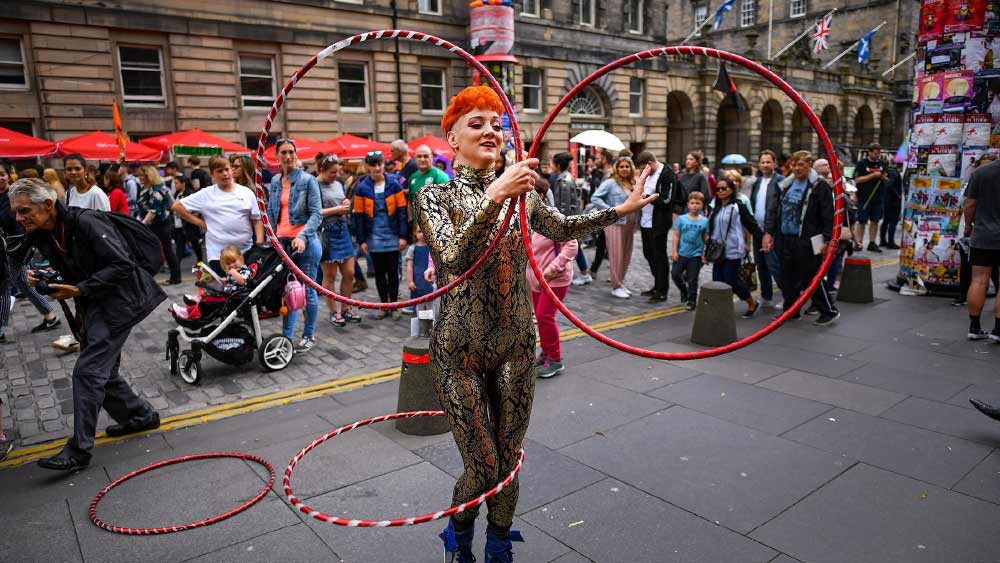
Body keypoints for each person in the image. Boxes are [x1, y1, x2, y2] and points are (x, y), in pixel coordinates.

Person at [414, 85, 656, 562]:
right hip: (458, 351)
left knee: (507, 461)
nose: (490, 131)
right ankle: (458, 534)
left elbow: (563, 227)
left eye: (497, 124)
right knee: (482, 468)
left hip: (515, 344)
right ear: (452, 139)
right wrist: (495, 195)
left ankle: (499, 542)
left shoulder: (520, 193)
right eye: (476, 123)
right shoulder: (434, 197)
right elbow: (452, 255)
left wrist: (620, 211)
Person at [10, 178, 163, 470]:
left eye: (24, 210)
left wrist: (79, 289)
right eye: (16, 212)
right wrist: (36, 276)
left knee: (88, 371)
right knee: (103, 371)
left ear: (47, 205)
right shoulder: (40, 230)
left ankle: (79, 450)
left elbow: (122, 265)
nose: (19, 218)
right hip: (94, 302)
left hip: (121, 302)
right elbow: (16, 261)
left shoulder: (87, 223)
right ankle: (139, 416)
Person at [763, 150, 840, 325]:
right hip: (786, 237)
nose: (797, 168)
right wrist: (769, 233)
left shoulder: (820, 186)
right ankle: (791, 310)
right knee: (787, 277)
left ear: (809, 165)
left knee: (811, 276)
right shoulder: (785, 185)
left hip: (808, 239)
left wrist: (827, 240)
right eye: (794, 165)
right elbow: (774, 211)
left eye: (801, 165)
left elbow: (829, 215)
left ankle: (828, 310)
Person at [267, 139, 323, 351]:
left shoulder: (308, 180)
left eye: (291, 152)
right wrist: (271, 238)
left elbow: (317, 214)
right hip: (282, 244)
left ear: (296, 154)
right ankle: (287, 338)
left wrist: (303, 235)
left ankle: (308, 335)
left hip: (305, 244)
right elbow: (272, 213)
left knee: (307, 292)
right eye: (283, 152)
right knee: (288, 292)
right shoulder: (274, 181)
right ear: (277, 156)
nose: (288, 156)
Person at [0, 162, 61, 344]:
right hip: (8, 247)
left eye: (2, 173)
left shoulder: (15, 196)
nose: (0, 178)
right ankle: (50, 316)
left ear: (9, 174)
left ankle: (0, 328)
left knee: (4, 284)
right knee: (23, 283)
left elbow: (19, 222)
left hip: (16, 247)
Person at [172, 155, 263, 275]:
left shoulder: (246, 192)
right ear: (212, 174)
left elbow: (257, 219)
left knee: (248, 289)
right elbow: (177, 206)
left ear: (231, 170)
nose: (225, 173)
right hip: (218, 253)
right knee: (224, 290)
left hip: (245, 251)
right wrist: (199, 223)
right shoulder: (206, 194)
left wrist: (259, 244)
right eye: (219, 171)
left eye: (227, 169)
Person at [353, 151, 408, 319]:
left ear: (383, 165)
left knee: (393, 271)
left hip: (392, 233)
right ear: (368, 167)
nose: (377, 168)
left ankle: (394, 306)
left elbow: (402, 213)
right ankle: (384, 305)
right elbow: (359, 217)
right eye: (373, 165)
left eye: (379, 164)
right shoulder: (362, 188)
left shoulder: (394, 184)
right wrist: (361, 240)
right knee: (379, 272)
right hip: (373, 235)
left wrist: (403, 236)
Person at [707, 174, 762, 318]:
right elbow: (712, 230)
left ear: (731, 190)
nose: (720, 191)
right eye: (717, 189)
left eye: (723, 188)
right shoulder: (717, 207)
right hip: (718, 250)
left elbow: (752, 225)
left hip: (733, 250)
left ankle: (751, 302)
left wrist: (762, 240)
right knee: (718, 281)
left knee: (731, 280)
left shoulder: (739, 206)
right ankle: (722, 308)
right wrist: (706, 251)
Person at [635, 151, 685, 303]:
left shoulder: (667, 174)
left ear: (650, 164)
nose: (642, 171)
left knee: (660, 257)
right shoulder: (648, 174)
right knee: (648, 254)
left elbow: (666, 199)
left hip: (659, 222)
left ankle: (662, 291)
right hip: (645, 221)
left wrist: (646, 198)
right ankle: (657, 285)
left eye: (644, 168)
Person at [317, 155, 361, 327]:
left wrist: (345, 204)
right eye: (332, 172)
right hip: (326, 233)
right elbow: (313, 212)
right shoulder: (313, 185)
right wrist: (337, 209)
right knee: (330, 275)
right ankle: (333, 311)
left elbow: (342, 203)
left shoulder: (338, 183)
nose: (336, 175)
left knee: (349, 272)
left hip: (342, 230)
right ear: (322, 170)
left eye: (338, 172)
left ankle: (346, 308)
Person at [591, 156, 640, 298]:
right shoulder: (610, 183)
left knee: (626, 254)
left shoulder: (633, 183)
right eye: (621, 166)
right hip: (615, 223)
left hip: (630, 224)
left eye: (627, 166)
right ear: (616, 169)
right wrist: (611, 210)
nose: (624, 169)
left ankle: (621, 282)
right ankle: (616, 285)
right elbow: (595, 197)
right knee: (616, 254)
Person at [963, 156, 1000, 341]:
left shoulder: (981, 172)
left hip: (983, 235)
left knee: (978, 280)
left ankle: (974, 326)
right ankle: (998, 330)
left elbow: (970, 204)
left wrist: (968, 226)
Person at [173, 245, 255, 320]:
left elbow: (242, 281)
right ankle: (192, 305)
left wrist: (233, 273)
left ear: (241, 258)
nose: (232, 265)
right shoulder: (235, 271)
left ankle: (188, 311)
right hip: (227, 295)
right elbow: (232, 281)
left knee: (207, 302)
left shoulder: (245, 270)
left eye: (233, 261)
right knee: (207, 295)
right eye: (228, 263)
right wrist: (225, 279)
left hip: (234, 298)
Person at [749, 150, 785, 308]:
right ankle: (766, 296)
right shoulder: (756, 182)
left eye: (768, 162)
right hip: (758, 231)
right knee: (761, 265)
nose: (765, 165)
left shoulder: (781, 181)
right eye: (762, 162)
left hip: (773, 232)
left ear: (774, 163)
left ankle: (787, 296)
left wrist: (770, 231)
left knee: (774, 265)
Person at [136, 165, 181, 285]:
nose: (139, 178)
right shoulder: (145, 188)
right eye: (139, 175)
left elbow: (153, 211)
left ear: (148, 176)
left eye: (141, 175)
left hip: (161, 223)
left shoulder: (158, 189)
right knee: (153, 249)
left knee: (167, 249)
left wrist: (141, 224)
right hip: (151, 223)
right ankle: (149, 276)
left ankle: (175, 277)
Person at [671, 191, 709, 310]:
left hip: (695, 255)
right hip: (682, 253)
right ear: (688, 204)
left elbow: (705, 238)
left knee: (693, 279)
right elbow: (676, 235)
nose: (695, 205)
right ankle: (684, 290)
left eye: (698, 203)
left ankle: (692, 300)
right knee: (675, 274)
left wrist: (705, 254)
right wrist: (674, 251)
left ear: (702, 205)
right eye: (692, 203)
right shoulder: (681, 219)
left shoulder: (704, 221)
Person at [853, 142, 886, 253]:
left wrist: (883, 177)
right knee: (861, 221)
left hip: (877, 197)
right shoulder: (862, 164)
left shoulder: (881, 164)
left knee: (875, 221)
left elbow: (886, 178)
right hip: (864, 197)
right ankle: (859, 242)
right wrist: (872, 175)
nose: (877, 156)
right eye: (875, 153)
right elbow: (857, 179)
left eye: (879, 153)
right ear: (870, 152)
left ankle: (872, 242)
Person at [405, 223, 438, 333]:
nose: (422, 234)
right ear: (415, 233)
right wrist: (410, 281)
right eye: (419, 231)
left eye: (424, 231)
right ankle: (419, 329)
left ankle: (431, 329)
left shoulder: (431, 248)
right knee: (418, 308)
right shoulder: (412, 248)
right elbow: (409, 266)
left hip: (429, 283)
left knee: (430, 307)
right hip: (418, 282)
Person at [407, 144, 451, 220]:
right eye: (419, 156)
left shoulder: (441, 176)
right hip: (417, 228)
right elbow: (410, 202)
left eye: (426, 156)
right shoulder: (413, 177)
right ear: (415, 158)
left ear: (432, 157)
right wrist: (411, 221)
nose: (422, 159)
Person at [879, 162, 903, 249]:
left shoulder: (889, 171)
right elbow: (890, 184)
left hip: (886, 200)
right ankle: (891, 242)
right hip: (894, 201)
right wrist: (898, 195)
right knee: (893, 221)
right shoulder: (894, 172)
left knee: (885, 220)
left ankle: (882, 241)